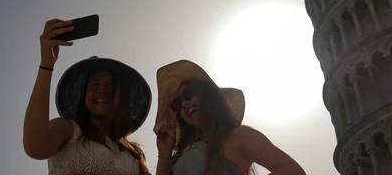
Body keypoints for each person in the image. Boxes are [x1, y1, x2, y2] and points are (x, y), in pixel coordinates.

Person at [23, 18, 153, 175]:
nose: (102, 90)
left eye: (110, 85)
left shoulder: (134, 153)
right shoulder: (68, 130)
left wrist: (166, 154)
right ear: (84, 96)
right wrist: (47, 63)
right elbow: (35, 147)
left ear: (122, 97)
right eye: (95, 84)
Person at [153, 60, 306, 175]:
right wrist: (165, 156)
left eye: (188, 94)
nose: (185, 103)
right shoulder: (179, 158)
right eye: (178, 103)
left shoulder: (237, 136)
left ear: (208, 95)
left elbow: (291, 170)